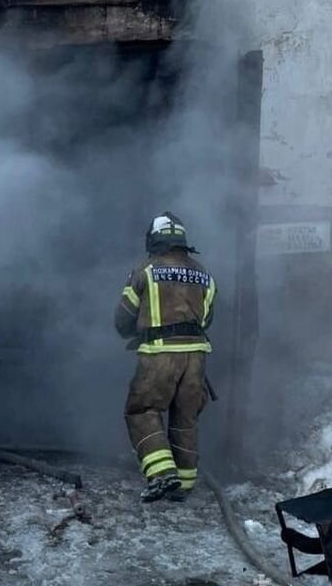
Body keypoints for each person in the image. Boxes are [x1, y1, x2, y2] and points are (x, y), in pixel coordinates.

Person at [114, 212, 217, 502]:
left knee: (142, 410)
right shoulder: (204, 274)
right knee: (185, 418)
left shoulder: (145, 270)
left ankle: (161, 475)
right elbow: (207, 318)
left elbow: (124, 317)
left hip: (160, 355)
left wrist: (136, 331)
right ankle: (183, 485)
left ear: (154, 240)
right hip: (196, 357)